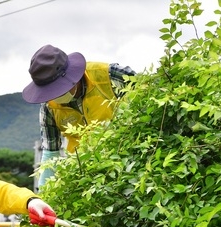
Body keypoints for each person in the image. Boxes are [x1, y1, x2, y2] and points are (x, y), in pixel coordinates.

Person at [22, 44, 136, 187]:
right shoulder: (48, 107)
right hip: (85, 174)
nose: (54, 96)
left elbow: (147, 96)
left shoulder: (108, 75)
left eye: (57, 89)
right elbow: (51, 154)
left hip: (128, 161)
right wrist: (44, 195)